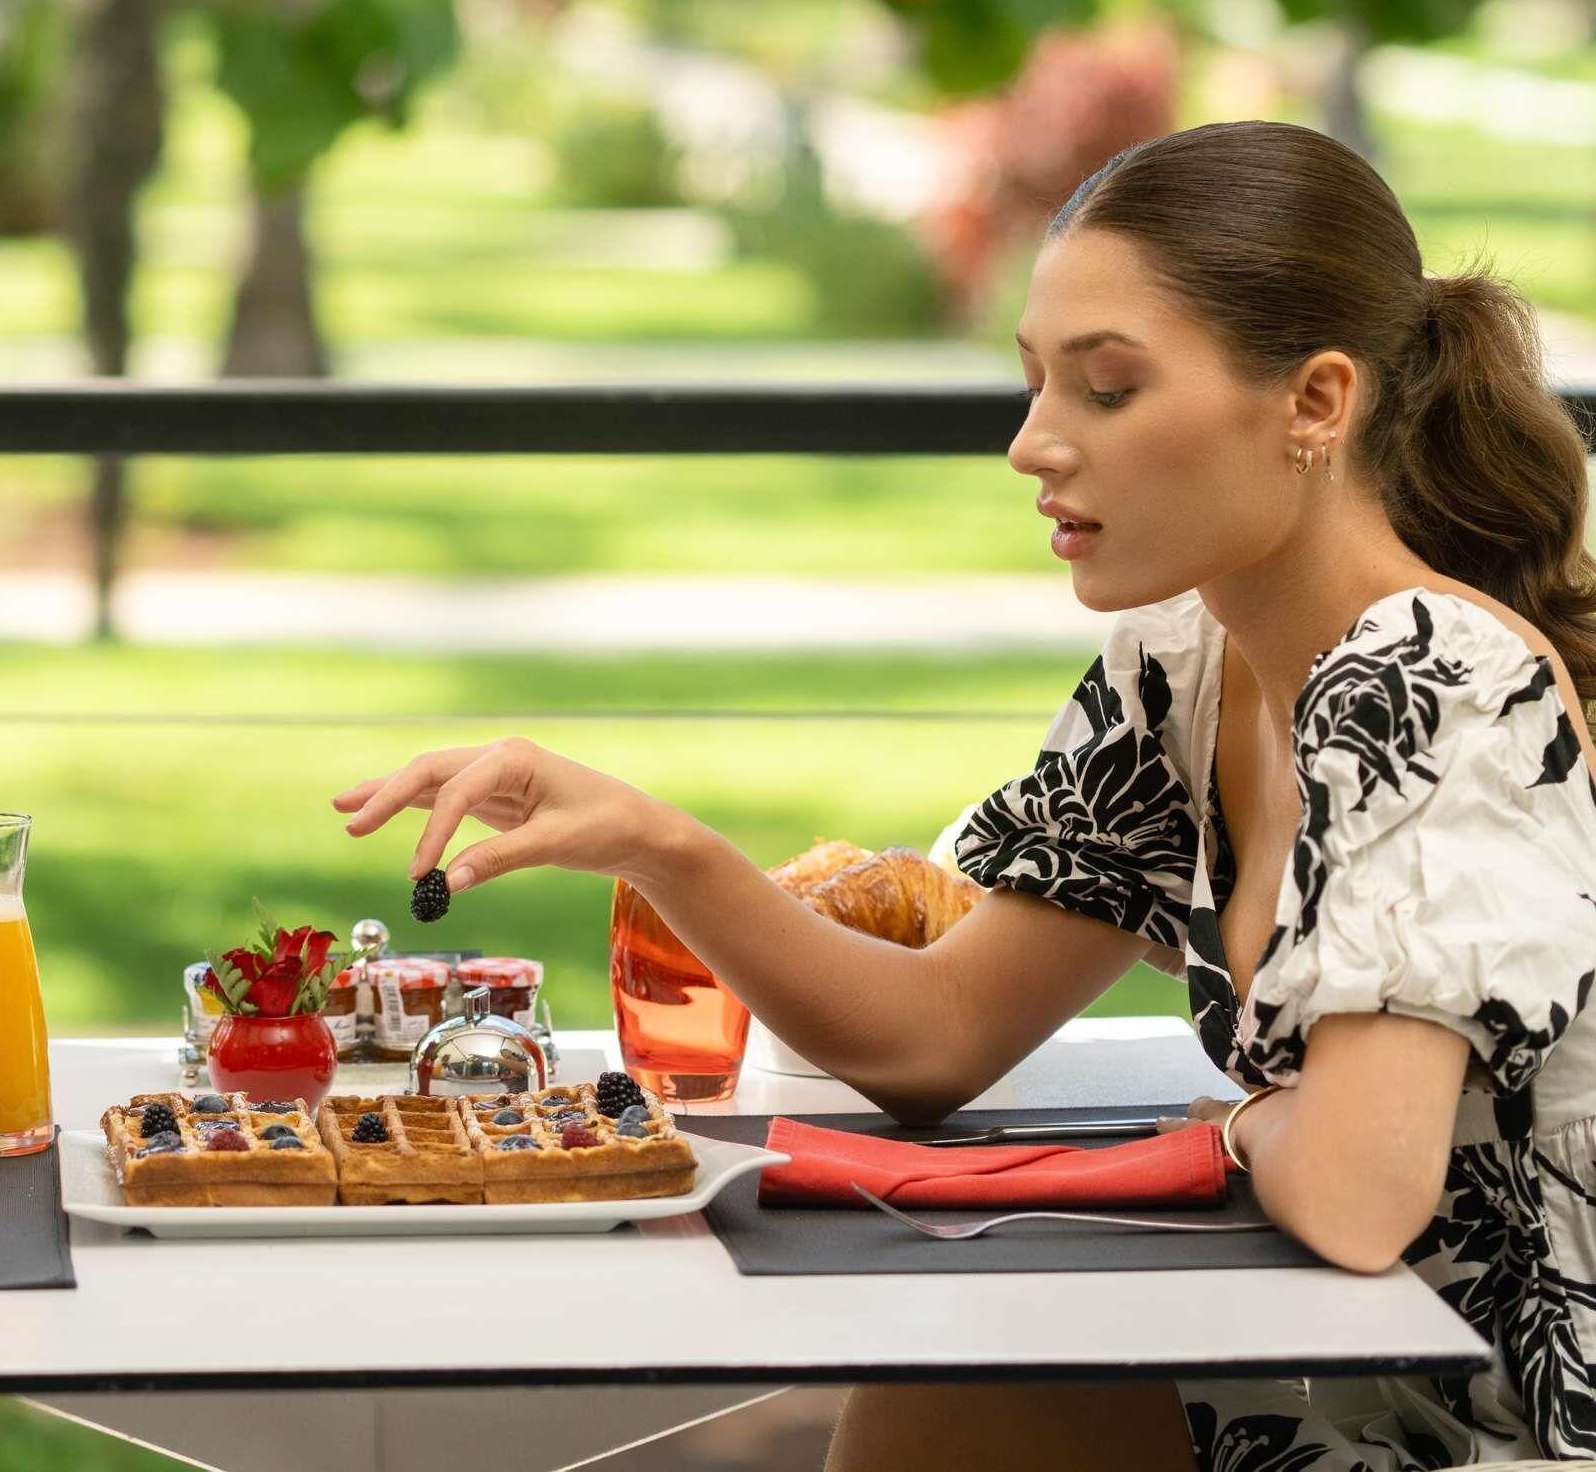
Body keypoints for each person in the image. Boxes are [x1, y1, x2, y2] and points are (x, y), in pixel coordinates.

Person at [335, 120, 1596, 1469]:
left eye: (1106, 389)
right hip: (1378, 1389)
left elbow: (1354, 1194)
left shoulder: (1435, 680)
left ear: (1314, 401)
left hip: (1517, 1429)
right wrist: (657, 845)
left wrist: (1231, 1127)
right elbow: (937, 1032)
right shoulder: (1190, 663)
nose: (1031, 444)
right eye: (1034, 381)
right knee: (947, 1390)